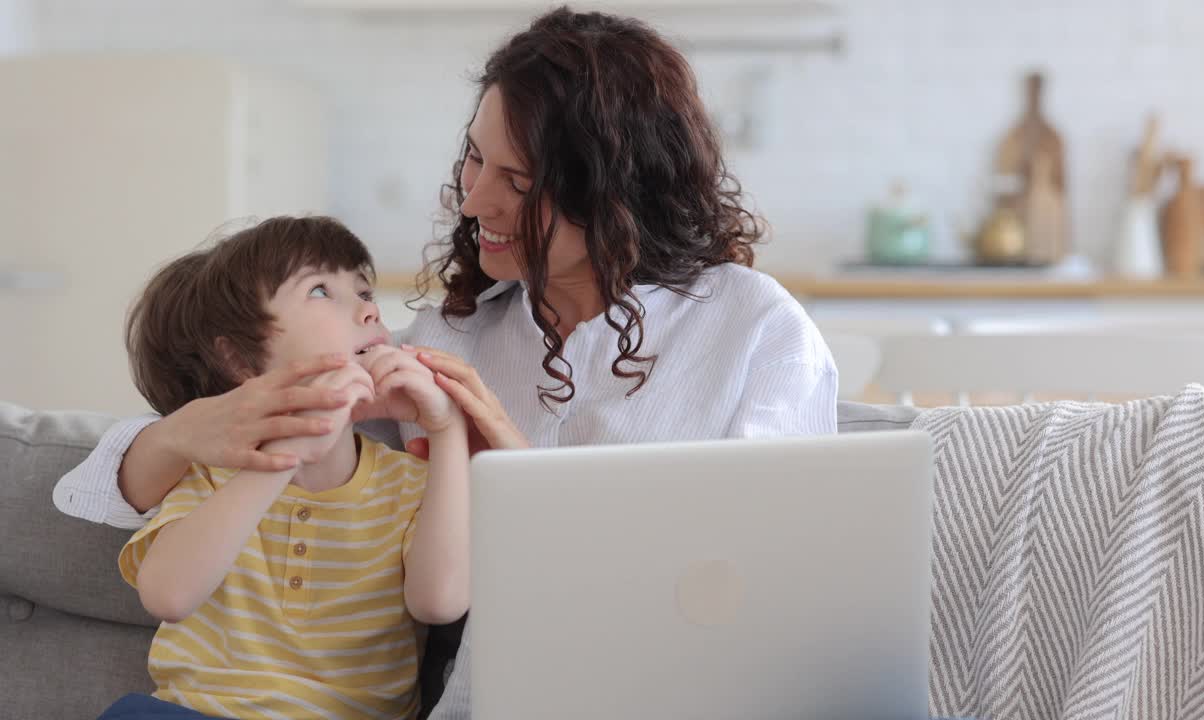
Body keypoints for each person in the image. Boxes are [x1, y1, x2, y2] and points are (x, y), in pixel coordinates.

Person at [56, 7, 838, 719]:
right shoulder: (446, 338)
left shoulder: (754, 331)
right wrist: (181, 436)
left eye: (518, 182)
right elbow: (263, 422)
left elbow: (754, 599)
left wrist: (512, 461)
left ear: (616, 193)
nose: (471, 202)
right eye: (474, 160)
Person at [94, 216, 470, 719]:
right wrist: (285, 455)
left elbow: (439, 603)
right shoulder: (212, 472)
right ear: (240, 361)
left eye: (363, 290)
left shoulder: (408, 483)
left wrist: (445, 430)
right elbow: (167, 595)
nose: (367, 309)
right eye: (320, 290)